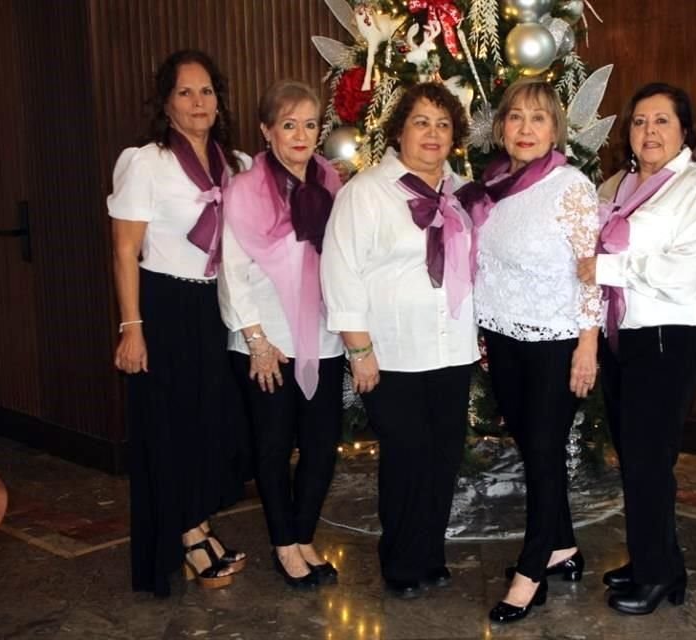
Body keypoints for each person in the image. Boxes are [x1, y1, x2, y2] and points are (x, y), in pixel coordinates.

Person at [320, 83, 477, 599]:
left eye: (442, 124)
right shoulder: (366, 191)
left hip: (451, 349)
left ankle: (430, 552)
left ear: (454, 137)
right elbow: (340, 272)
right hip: (391, 353)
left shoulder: (460, 193)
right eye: (421, 122)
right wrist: (358, 349)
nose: (432, 134)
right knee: (407, 456)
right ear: (399, 130)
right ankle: (401, 561)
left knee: (443, 457)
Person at [577, 82, 696, 615]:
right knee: (637, 459)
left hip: (668, 336)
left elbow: (684, 274)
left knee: (647, 459)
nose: (649, 131)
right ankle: (656, 562)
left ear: (685, 130)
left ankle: (657, 574)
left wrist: (608, 268)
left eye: (662, 121)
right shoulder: (615, 184)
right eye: (639, 121)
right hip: (623, 336)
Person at [460, 77, 602, 624]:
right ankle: (562, 546)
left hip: (556, 338)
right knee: (531, 446)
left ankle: (531, 569)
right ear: (500, 127)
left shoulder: (571, 186)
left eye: (538, 118)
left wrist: (588, 344)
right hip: (504, 335)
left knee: (543, 453)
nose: (525, 128)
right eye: (516, 117)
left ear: (555, 130)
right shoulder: (495, 183)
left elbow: (591, 273)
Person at [108, 49, 248, 597]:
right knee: (167, 430)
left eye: (207, 91)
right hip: (162, 308)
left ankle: (198, 521)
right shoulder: (146, 162)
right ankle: (186, 537)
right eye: (185, 92)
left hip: (214, 307)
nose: (198, 102)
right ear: (166, 102)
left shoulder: (233, 163)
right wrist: (131, 325)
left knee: (209, 425)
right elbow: (125, 250)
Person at [218, 80, 345, 589]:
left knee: (322, 444)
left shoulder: (331, 181)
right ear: (267, 130)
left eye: (310, 124)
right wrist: (257, 340)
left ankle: (304, 534)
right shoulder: (245, 188)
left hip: (323, 335)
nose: (300, 134)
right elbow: (231, 269)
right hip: (265, 340)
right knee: (272, 446)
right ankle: (284, 546)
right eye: (288, 124)